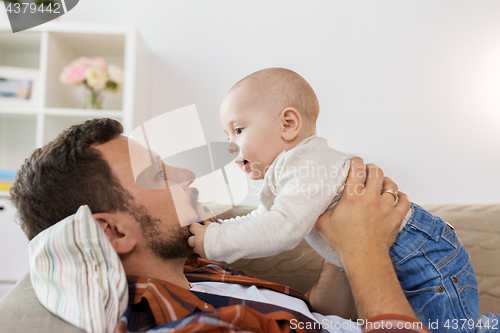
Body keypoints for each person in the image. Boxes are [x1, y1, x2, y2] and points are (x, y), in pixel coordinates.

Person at [9, 118, 432, 332]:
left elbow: (312, 319)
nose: (187, 175)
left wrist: (340, 239)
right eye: (158, 175)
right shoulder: (190, 326)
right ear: (114, 232)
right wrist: (365, 249)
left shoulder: (195, 268)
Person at [188, 68, 479, 330]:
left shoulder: (306, 162)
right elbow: (262, 219)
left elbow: (282, 229)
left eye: (238, 131)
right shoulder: (285, 174)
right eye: (227, 135)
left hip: (422, 253)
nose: (230, 146)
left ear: (288, 124)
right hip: (400, 254)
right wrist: (217, 231)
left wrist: (214, 241)